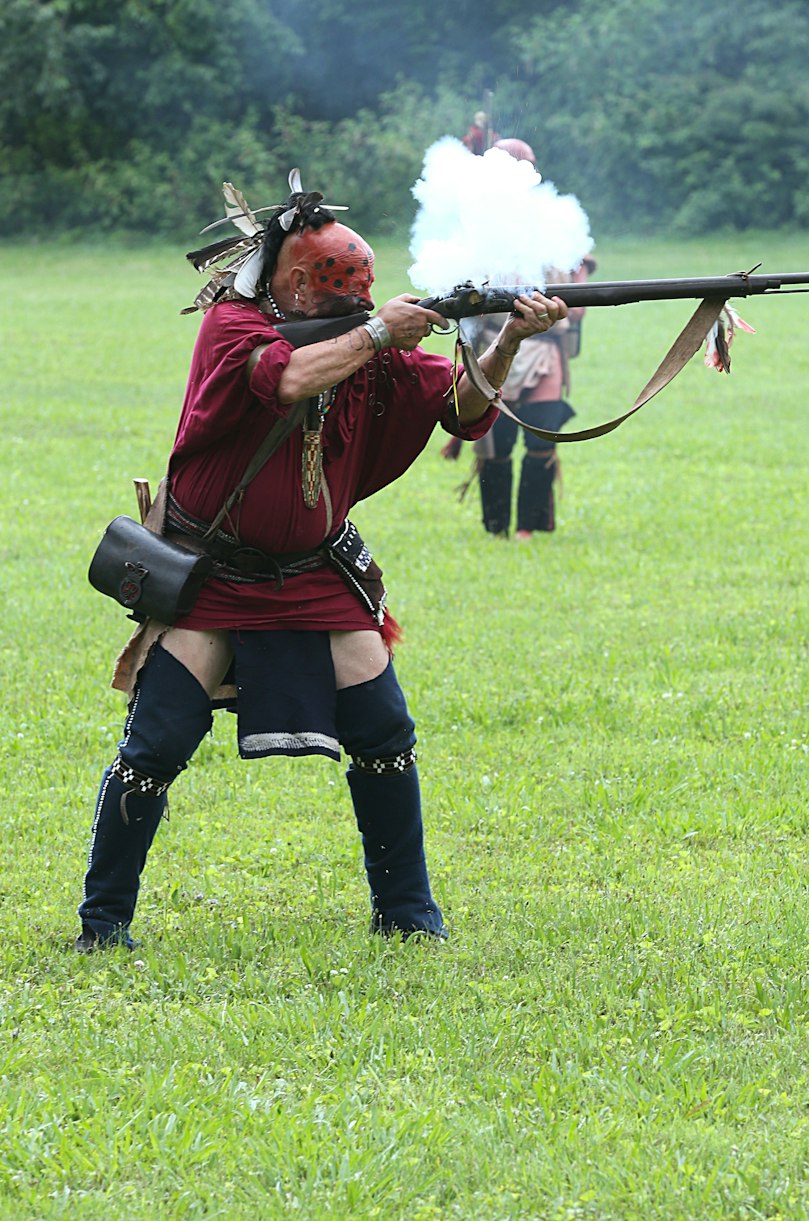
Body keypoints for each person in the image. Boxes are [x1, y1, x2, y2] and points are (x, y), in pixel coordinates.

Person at [76, 177, 567, 951]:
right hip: (217, 570)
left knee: (385, 731)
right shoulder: (234, 325)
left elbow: (466, 411)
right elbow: (290, 377)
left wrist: (506, 338)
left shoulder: (359, 337)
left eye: (361, 298)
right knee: (157, 742)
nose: (355, 308)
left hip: (314, 567)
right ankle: (102, 922)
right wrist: (378, 335)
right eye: (339, 294)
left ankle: (407, 912)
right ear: (295, 282)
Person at [470, 254, 595, 539]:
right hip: (496, 345)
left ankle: (529, 526)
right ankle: (496, 527)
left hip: (547, 349)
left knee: (542, 442)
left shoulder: (561, 249)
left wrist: (581, 272)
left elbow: (576, 312)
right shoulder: (486, 248)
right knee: (497, 446)